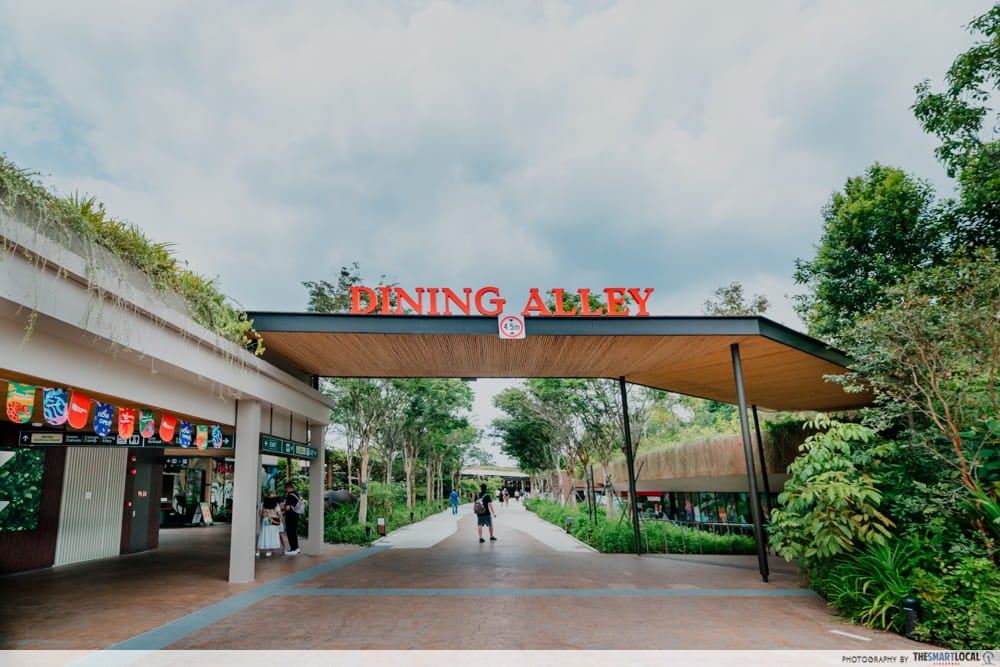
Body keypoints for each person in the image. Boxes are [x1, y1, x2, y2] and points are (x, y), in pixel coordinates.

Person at [282, 482, 301, 555]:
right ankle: (296, 548)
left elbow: (287, 508)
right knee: (294, 532)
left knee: (290, 532)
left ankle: (294, 549)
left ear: (288, 488)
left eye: (285, 489)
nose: (285, 490)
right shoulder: (296, 494)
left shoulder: (290, 496)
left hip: (290, 516)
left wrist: (282, 511)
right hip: (296, 515)